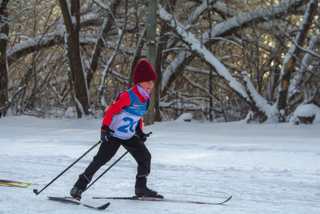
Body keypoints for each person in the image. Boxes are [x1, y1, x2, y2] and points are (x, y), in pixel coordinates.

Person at [70, 58, 163, 200]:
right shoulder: (128, 96)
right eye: (148, 81)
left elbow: (137, 117)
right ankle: (78, 187)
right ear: (139, 81)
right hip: (113, 134)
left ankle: (141, 188)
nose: (151, 84)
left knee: (145, 158)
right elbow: (111, 112)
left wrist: (140, 132)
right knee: (100, 160)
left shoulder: (146, 98)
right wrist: (104, 128)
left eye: (152, 81)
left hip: (129, 135)